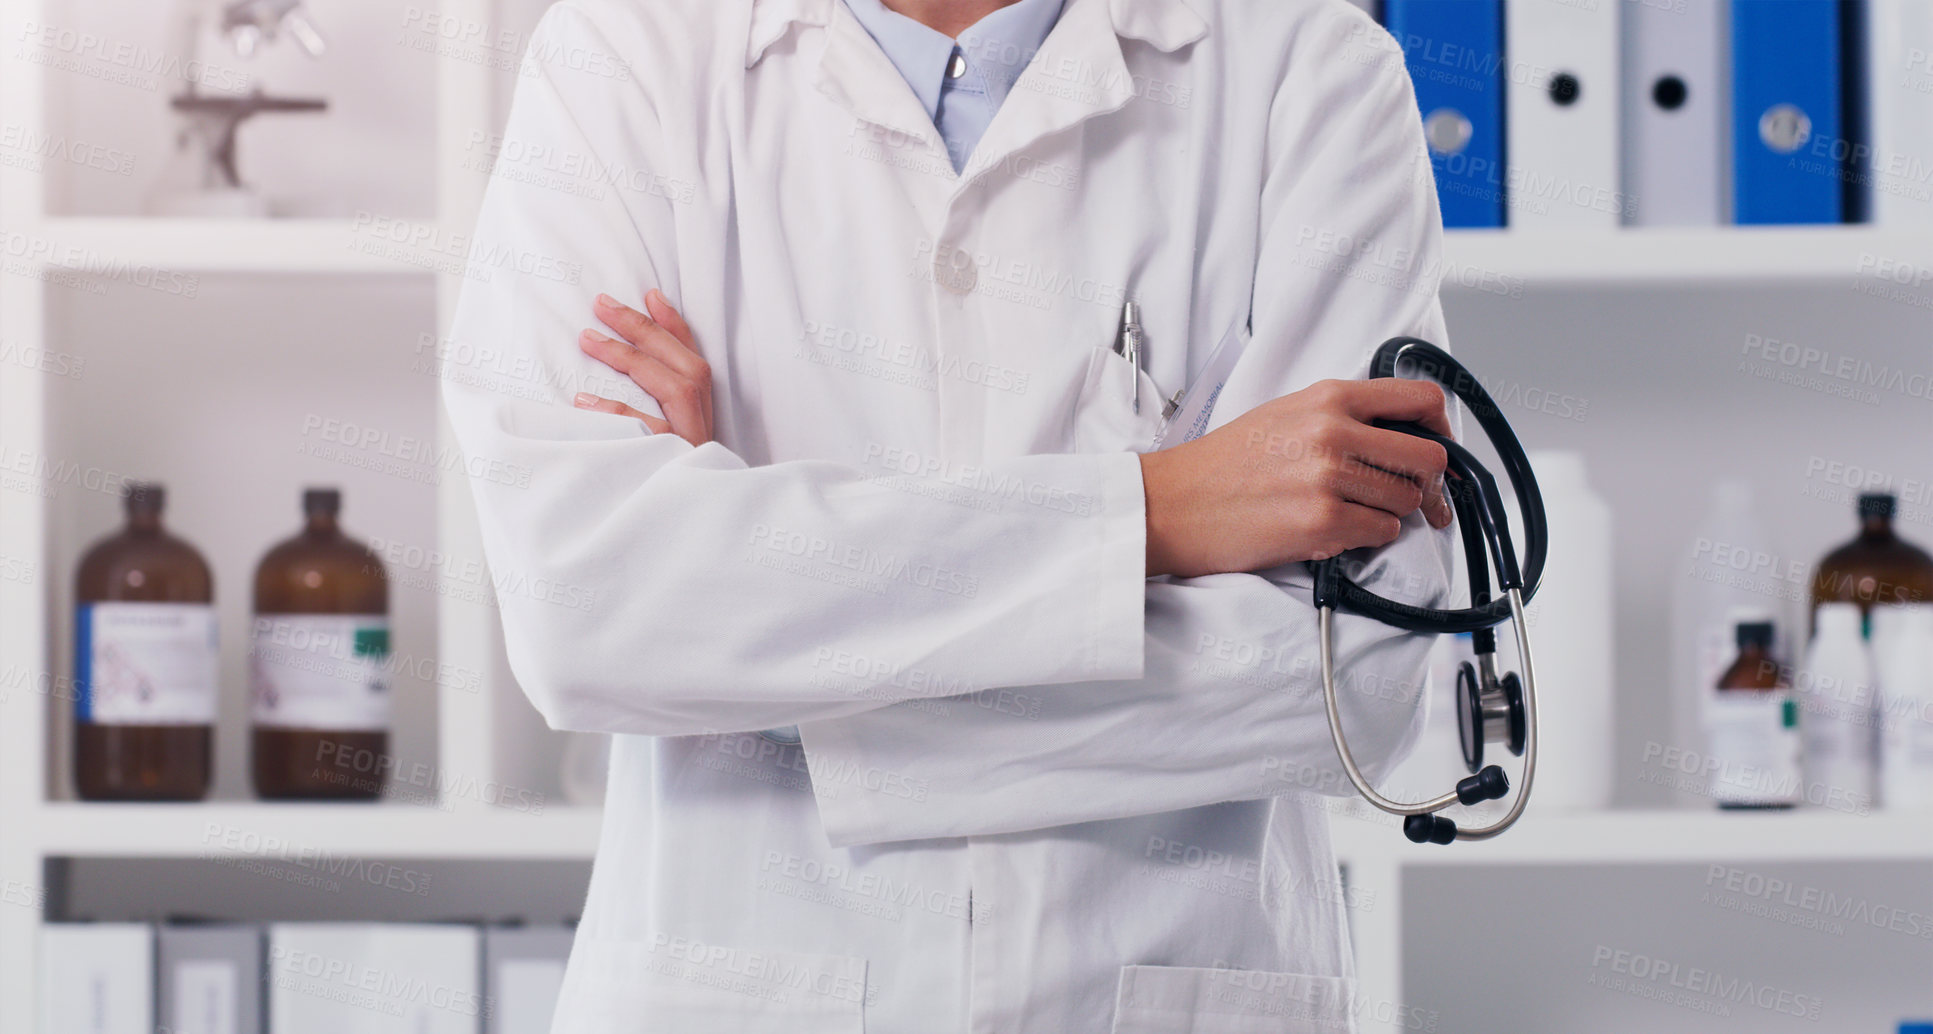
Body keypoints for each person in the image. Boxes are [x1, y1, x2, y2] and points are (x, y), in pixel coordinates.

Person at [442, 0, 1456, 1029]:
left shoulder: (1311, 69)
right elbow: (585, 608)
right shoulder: (626, 55)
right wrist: (1162, 508)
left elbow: (1350, 680)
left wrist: (764, 653)